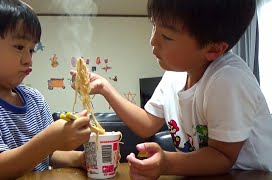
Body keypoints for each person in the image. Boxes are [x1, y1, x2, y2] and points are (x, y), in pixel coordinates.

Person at [71, 0, 272, 179]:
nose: (152, 41)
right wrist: (105, 87)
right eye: (153, 26)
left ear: (213, 49)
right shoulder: (175, 75)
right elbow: (147, 124)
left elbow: (223, 157)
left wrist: (167, 162)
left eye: (166, 36)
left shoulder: (228, 80)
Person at [0, 0, 91, 179]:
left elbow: (47, 155)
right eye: (19, 47)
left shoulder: (34, 99)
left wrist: (80, 158)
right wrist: (51, 139)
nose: (28, 60)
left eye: (31, 50)